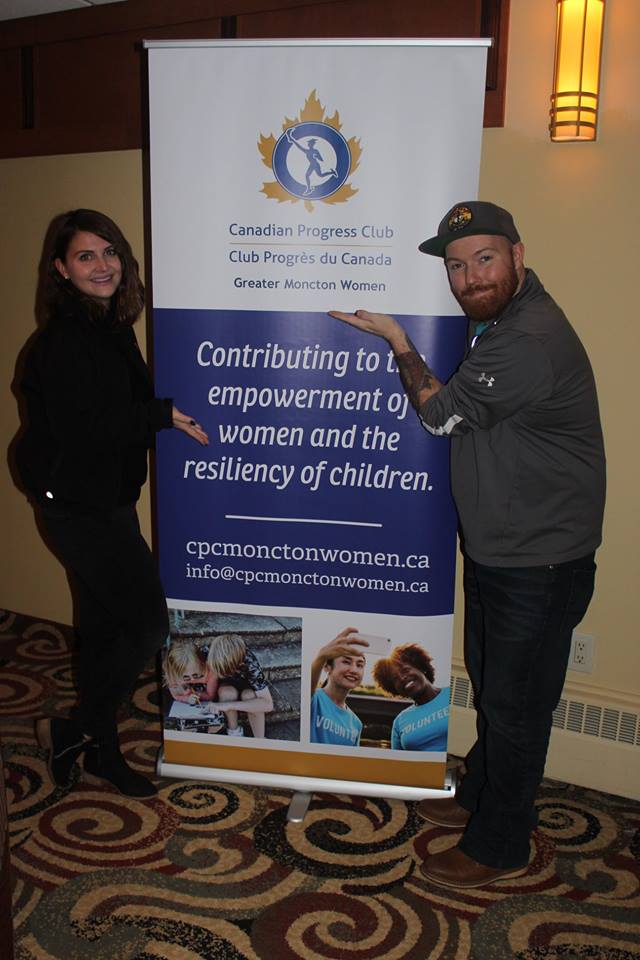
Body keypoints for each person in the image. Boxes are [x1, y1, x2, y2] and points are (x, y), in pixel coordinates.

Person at [330, 201, 605, 888]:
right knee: (496, 690)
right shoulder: (502, 320)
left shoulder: (527, 337)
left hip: (538, 561)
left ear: (518, 254)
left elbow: (439, 415)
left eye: (485, 258)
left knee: (516, 707)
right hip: (505, 549)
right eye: (456, 265)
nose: (470, 276)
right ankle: (482, 792)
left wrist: (398, 340)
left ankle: (500, 842)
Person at [15, 208, 208, 798]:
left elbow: (119, 405)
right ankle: (81, 729)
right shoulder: (64, 340)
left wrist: (158, 411)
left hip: (107, 498)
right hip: (78, 507)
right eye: (85, 256)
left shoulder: (109, 325)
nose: (102, 266)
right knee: (147, 625)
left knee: (103, 627)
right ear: (60, 269)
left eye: (109, 252)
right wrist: (158, 415)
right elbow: (86, 429)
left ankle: (94, 745)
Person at [372, 644, 449, 752]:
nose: (402, 678)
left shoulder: (454, 693)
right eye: (395, 678)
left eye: (405, 670)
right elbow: (398, 760)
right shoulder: (399, 722)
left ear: (421, 668)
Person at [203, 634, 273, 738]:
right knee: (226, 693)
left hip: (247, 687)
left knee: (249, 696)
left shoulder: (250, 663)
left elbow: (268, 704)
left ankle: (260, 739)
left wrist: (227, 705)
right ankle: (234, 732)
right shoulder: (208, 651)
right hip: (225, 687)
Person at [309, 628, 369, 747]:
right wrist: (321, 656)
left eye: (360, 665)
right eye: (346, 662)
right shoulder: (313, 699)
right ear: (327, 667)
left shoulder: (356, 724)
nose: (354, 670)